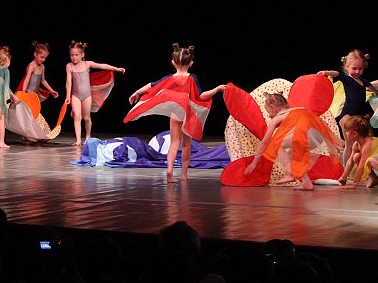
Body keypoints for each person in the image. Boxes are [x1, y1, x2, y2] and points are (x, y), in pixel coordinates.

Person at [126, 43, 226, 182]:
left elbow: (152, 85)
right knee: (186, 145)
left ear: (173, 62)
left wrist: (137, 92)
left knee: (174, 144)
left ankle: (169, 170)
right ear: (191, 63)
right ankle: (184, 174)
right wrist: (217, 89)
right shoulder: (192, 78)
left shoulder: (170, 78)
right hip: (188, 114)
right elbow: (201, 96)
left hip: (175, 114)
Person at [243, 92, 343, 191]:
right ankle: (306, 183)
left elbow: (265, 142)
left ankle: (290, 173)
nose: (269, 116)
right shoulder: (300, 109)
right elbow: (321, 123)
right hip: (317, 136)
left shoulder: (278, 117)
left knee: (277, 144)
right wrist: (334, 141)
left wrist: (254, 163)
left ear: (273, 107)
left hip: (305, 135)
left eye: (268, 111)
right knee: (292, 154)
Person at [317, 49, 378, 165]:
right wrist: (325, 72)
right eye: (354, 68)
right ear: (347, 67)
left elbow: (370, 86)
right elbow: (336, 74)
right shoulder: (347, 79)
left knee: (362, 144)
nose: (357, 71)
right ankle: (346, 168)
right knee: (350, 144)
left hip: (359, 117)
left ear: (364, 67)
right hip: (347, 117)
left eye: (360, 69)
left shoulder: (362, 81)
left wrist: (376, 91)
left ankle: (357, 166)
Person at [65, 40, 125, 146]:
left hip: (87, 96)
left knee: (87, 118)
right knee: (77, 117)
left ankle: (88, 136)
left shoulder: (87, 64)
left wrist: (115, 68)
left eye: (76, 55)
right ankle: (78, 139)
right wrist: (67, 96)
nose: (73, 57)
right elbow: (68, 82)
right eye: (72, 55)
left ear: (82, 54)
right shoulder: (69, 66)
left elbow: (102, 66)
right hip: (75, 96)